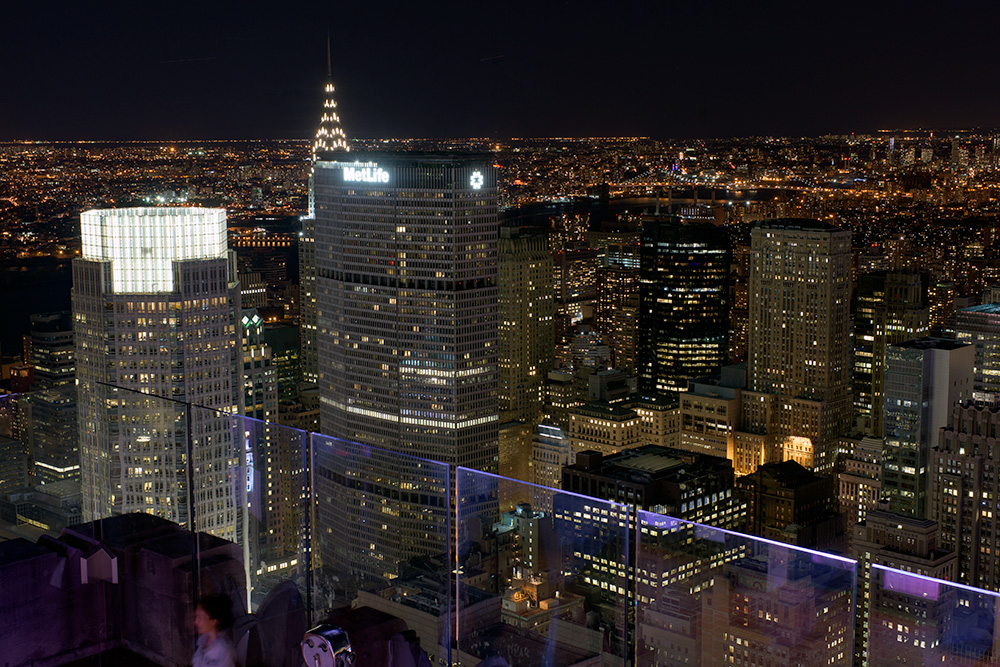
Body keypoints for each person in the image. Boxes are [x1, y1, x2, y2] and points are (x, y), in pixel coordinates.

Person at [193, 593, 237, 667]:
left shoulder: (224, 650)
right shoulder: (203, 641)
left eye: (200, 618)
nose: (196, 622)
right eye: (196, 617)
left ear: (213, 621)